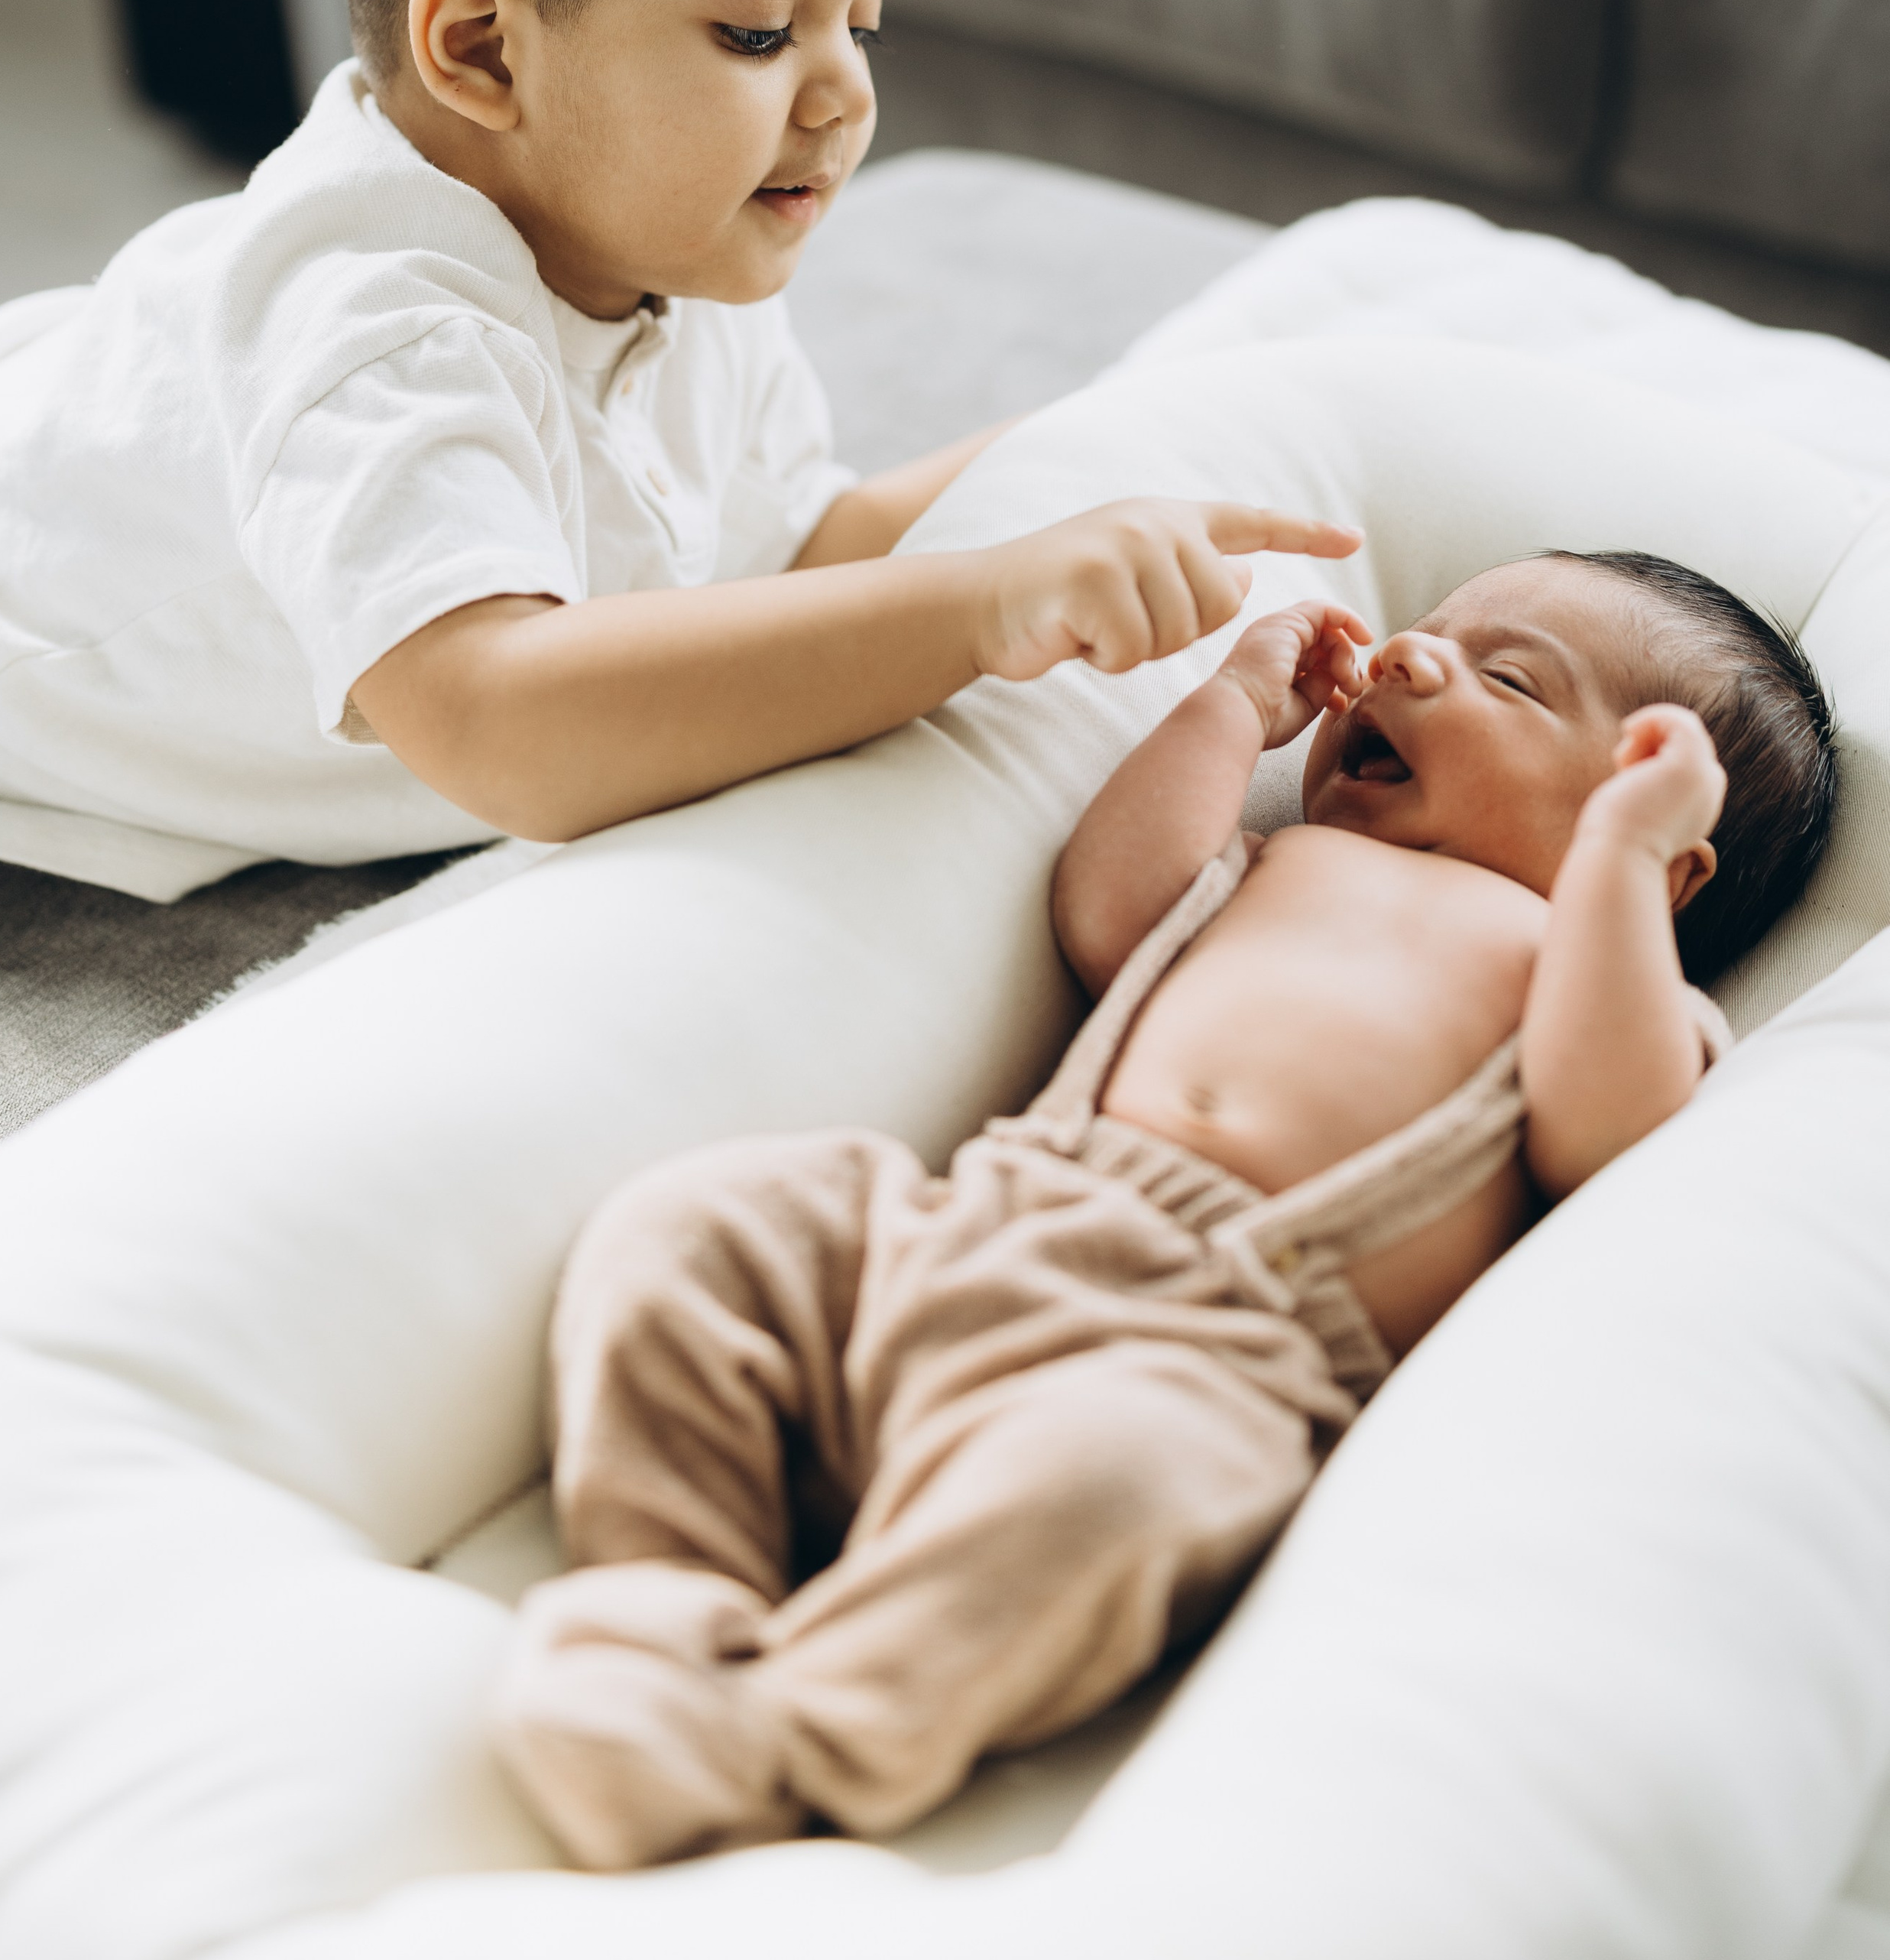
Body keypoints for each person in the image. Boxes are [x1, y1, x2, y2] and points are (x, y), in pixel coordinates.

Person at [0, 0, 1352, 899]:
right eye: (754, 31)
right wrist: (983, 605)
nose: (843, 97)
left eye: (858, 21)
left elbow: (799, 559)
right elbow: (503, 726)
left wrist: (1093, 462)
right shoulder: (375, 333)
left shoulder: (667, 234)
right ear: (483, 48)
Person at [492, 550, 1837, 1868]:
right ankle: (665, 1591)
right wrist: (1233, 709)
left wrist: (1611, 872)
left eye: (1511, 681)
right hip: (989, 1216)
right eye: (1432, 628)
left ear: (1666, 861)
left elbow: (1610, 1132)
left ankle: (793, 1729)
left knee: (1110, 1491)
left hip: (1220, 1358)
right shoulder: (1274, 861)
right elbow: (1111, 907)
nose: (1414, 658)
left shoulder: (1600, 979)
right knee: (703, 1226)